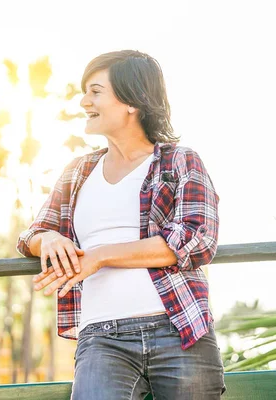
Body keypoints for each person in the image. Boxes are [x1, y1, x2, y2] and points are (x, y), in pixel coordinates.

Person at [17, 50, 225, 399]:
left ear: (132, 101)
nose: (84, 102)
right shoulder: (78, 171)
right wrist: (49, 238)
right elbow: (31, 235)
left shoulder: (180, 160)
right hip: (102, 339)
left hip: (178, 329)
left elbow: (195, 238)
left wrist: (100, 256)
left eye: (95, 91)